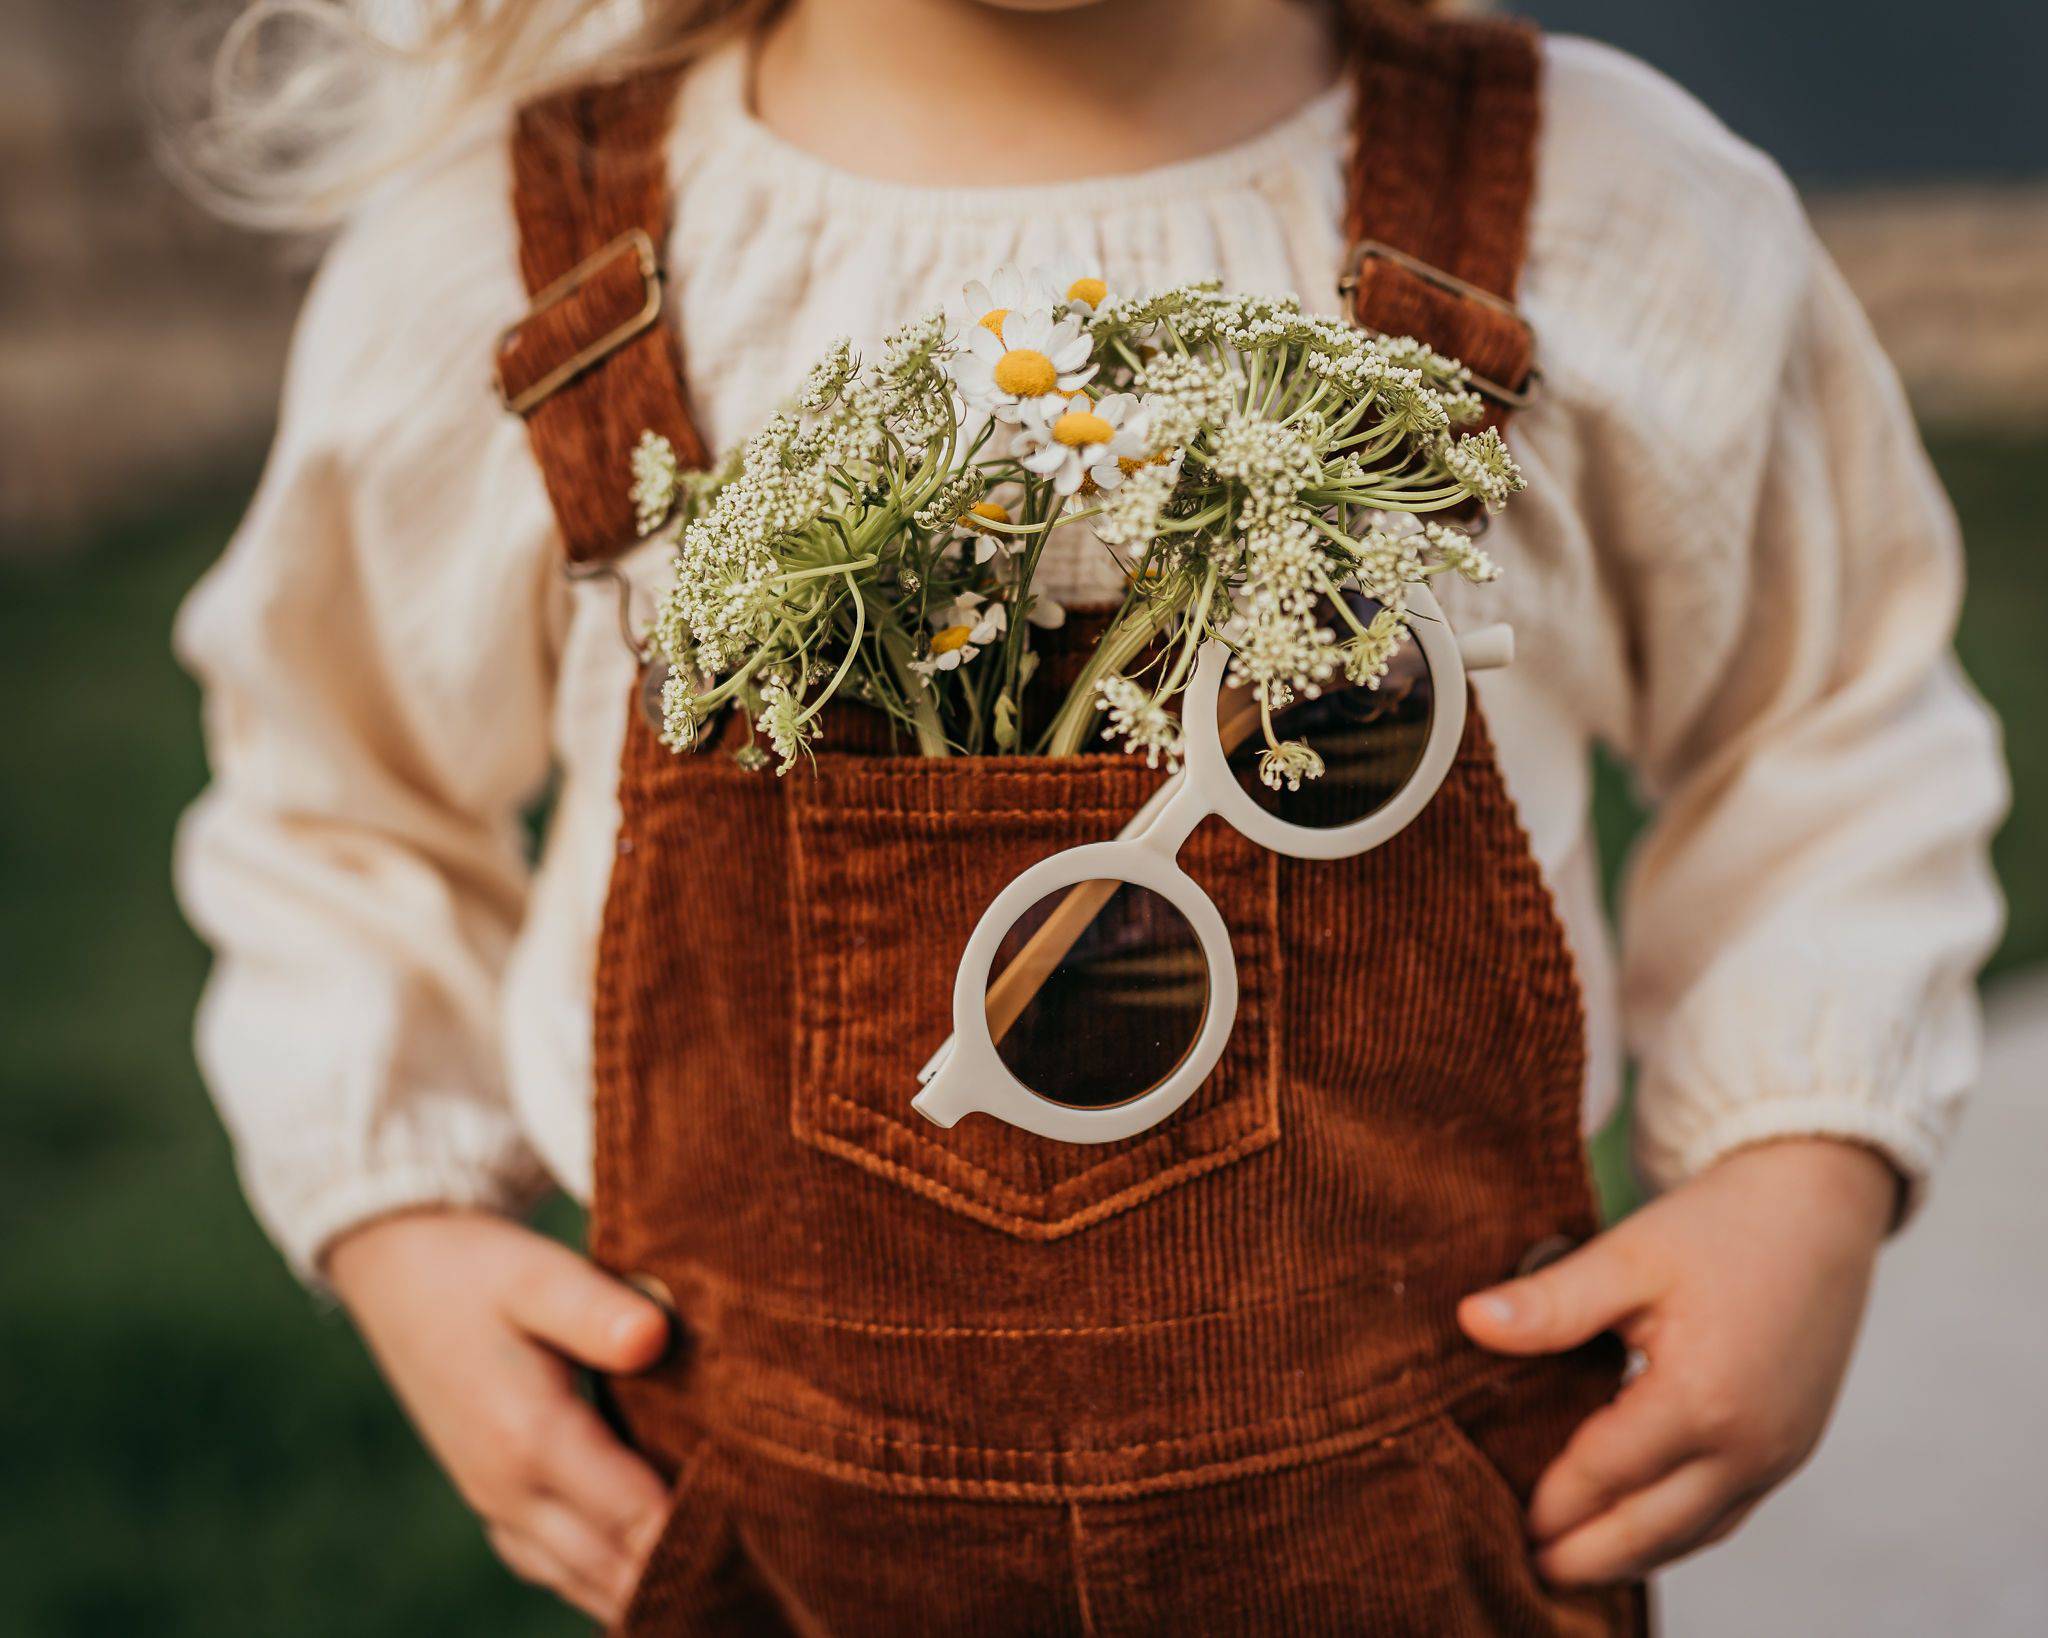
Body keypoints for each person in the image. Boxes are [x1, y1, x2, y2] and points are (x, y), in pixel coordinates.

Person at [172, 0, 2007, 1629]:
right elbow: (337, 800)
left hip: (1422, 1526)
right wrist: (401, 1223)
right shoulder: (508, 266)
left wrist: (1799, 1164)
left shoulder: (1615, 213)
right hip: (774, 1547)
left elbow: (1820, 721)